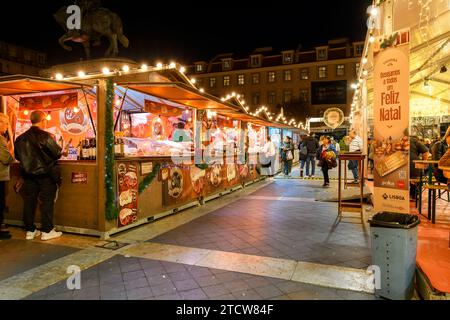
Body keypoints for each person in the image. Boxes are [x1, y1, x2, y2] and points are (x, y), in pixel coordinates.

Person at [14, 111, 65, 241]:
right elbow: (57, 153)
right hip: (46, 174)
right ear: (43, 121)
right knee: (47, 201)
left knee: (29, 202)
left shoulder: (20, 139)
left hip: (28, 175)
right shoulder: (45, 136)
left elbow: (17, 156)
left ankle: (30, 230)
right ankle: (47, 230)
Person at [0, 114, 14, 240]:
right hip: (0, 175)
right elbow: (6, 158)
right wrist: (12, 156)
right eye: (5, 124)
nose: (6, 127)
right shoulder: (0, 139)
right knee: (0, 202)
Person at [410, 133, 429, 199]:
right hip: (414, 165)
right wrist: (424, 161)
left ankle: (411, 192)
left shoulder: (406, 140)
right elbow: (426, 151)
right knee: (418, 175)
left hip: (401, 164)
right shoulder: (415, 140)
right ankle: (414, 194)